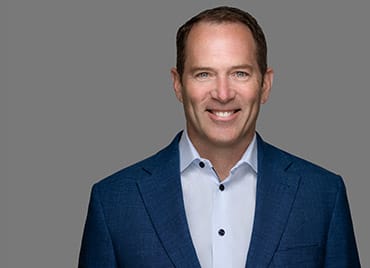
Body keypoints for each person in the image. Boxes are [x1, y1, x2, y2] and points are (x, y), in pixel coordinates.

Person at [78, 6, 361, 268]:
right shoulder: (113, 202)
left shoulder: (322, 194)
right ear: (178, 84)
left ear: (265, 85)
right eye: (204, 74)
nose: (223, 94)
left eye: (239, 73)